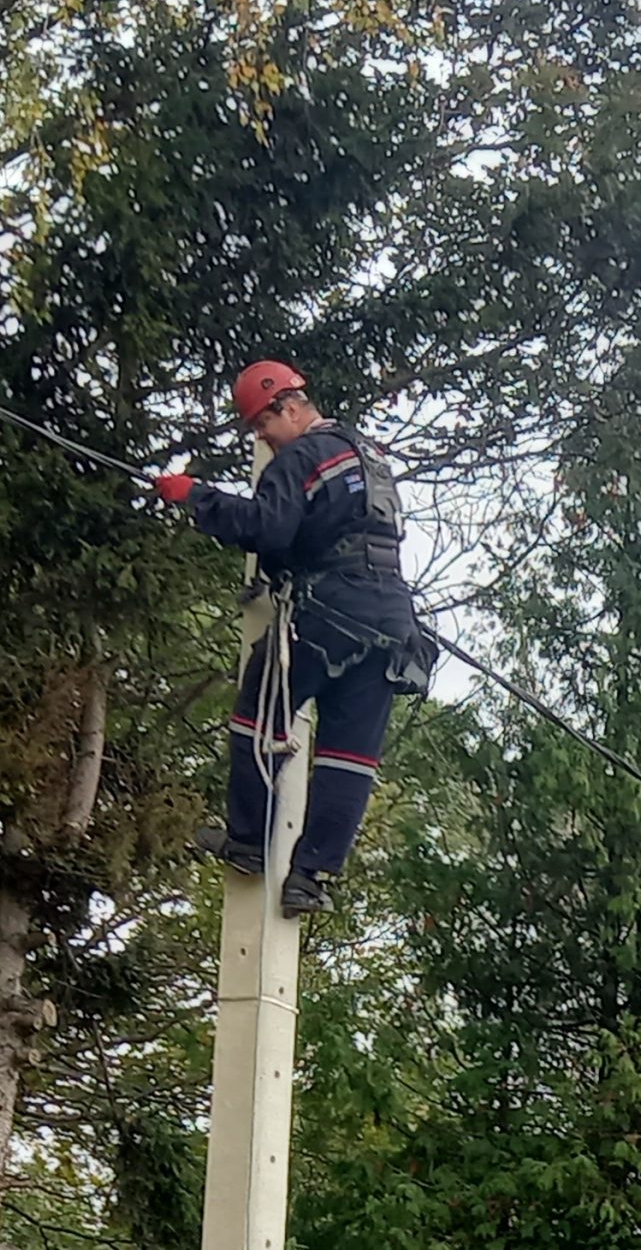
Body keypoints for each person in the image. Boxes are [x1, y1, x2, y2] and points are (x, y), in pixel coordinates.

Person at [156, 359, 434, 918]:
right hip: (391, 621)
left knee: (258, 716)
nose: (260, 437)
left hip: (330, 610)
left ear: (288, 406)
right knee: (349, 756)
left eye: (261, 424)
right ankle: (311, 876)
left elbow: (267, 527)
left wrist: (195, 497)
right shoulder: (368, 454)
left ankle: (248, 841)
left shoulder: (301, 456)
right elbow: (315, 533)